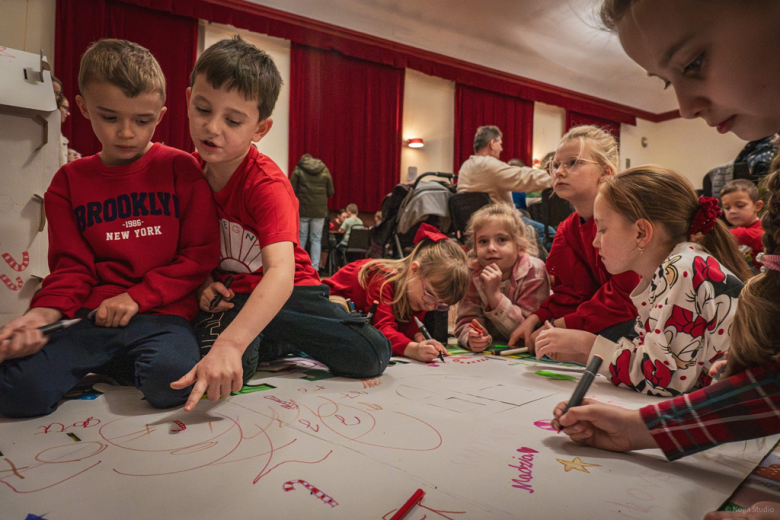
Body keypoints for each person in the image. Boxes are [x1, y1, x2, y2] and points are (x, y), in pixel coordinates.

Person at [554, 2, 780, 516]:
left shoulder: (684, 267)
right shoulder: (663, 275)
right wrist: (642, 429)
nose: (684, 106)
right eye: (665, 82)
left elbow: (664, 374)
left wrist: (594, 347)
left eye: (695, 62)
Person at [0, 39, 220, 418]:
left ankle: (114, 360)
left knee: (170, 382)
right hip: (92, 314)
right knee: (18, 392)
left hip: (163, 315)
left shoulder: (180, 168)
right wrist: (39, 317)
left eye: (142, 120)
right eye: (110, 117)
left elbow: (199, 256)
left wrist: (137, 297)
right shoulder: (67, 182)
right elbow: (71, 268)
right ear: (83, 107)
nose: (127, 133)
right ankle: (112, 358)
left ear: (161, 115)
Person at [175, 37, 391, 412]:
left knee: (370, 355)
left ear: (260, 129)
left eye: (233, 120)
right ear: (189, 98)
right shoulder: (185, 173)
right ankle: (266, 335)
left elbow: (281, 273)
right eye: (202, 109)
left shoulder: (267, 184)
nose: (212, 128)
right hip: (233, 293)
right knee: (223, 373)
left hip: (290, 291)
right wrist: (204, 285)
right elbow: (184, 249)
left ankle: (275, 331)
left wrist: (230, 342)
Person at [535, 166, 748, 396]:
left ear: (641, 233)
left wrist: (588, 346)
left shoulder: (681, 269)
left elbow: (664, 380)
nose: (596, 242)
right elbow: (656, 360)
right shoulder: (674, 269)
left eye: (602, 229)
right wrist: (580, 352)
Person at [509, 125, 641, 350]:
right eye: (556, 165)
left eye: (572, 162)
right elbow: (571, 293)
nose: (558, 172)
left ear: (606, 173)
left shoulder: (626, 220)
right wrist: (537, 319)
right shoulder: (567, 229)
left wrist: (558, 325)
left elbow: (627, 300)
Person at [324, 223, 469, 363]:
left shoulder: (418, 291)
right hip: (326, 306)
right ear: (414, 270)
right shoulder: (382, 278)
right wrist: (413, 349)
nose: (431, 307)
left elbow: (405, 322)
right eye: (431, 296)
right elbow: (384, 330)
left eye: (439, 304)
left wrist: (419, 338)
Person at [454, 204, 550, 351]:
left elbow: (524, 331)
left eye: (501, 240)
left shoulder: (534, 271)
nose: (491, 247)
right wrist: (472, 336)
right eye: (483, 241)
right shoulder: (473, 272)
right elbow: (466, 319)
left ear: (520, 246)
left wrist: (495, 296)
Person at [457, 125, 551, 205]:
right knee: (552, 227)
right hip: (499, 222)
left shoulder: (465, 166)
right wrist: (556, 177)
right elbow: (523, 177)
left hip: (477, 222)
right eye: (500, 144)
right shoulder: (487, 165)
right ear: (492, 144)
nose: (501, 149)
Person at [290, 153, 334, 272]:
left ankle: (299, 266)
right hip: (319, 211)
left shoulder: (298, 170)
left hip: (303, 210)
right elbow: (330, 191)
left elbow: (291, 190)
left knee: (301, 239)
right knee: (316, 239)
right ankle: (314, 268)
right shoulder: (324, 169)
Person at [721, 179, 765, 270]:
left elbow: (744, 234)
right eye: (727, 207)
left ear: (757, 206)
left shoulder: (762, 229)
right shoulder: (736, 230)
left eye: (740, 205)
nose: (732, 211)